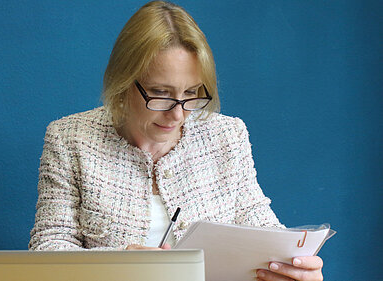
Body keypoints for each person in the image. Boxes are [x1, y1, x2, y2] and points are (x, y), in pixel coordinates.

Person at [29, 1, 324, 280]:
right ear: (123, 82)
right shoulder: (70, 139)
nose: (178, 115)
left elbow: (261, 226)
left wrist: (293, 266)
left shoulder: (226, 136)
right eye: (161, 93)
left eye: (192, 93)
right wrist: (116, 262)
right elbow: (46, 252)